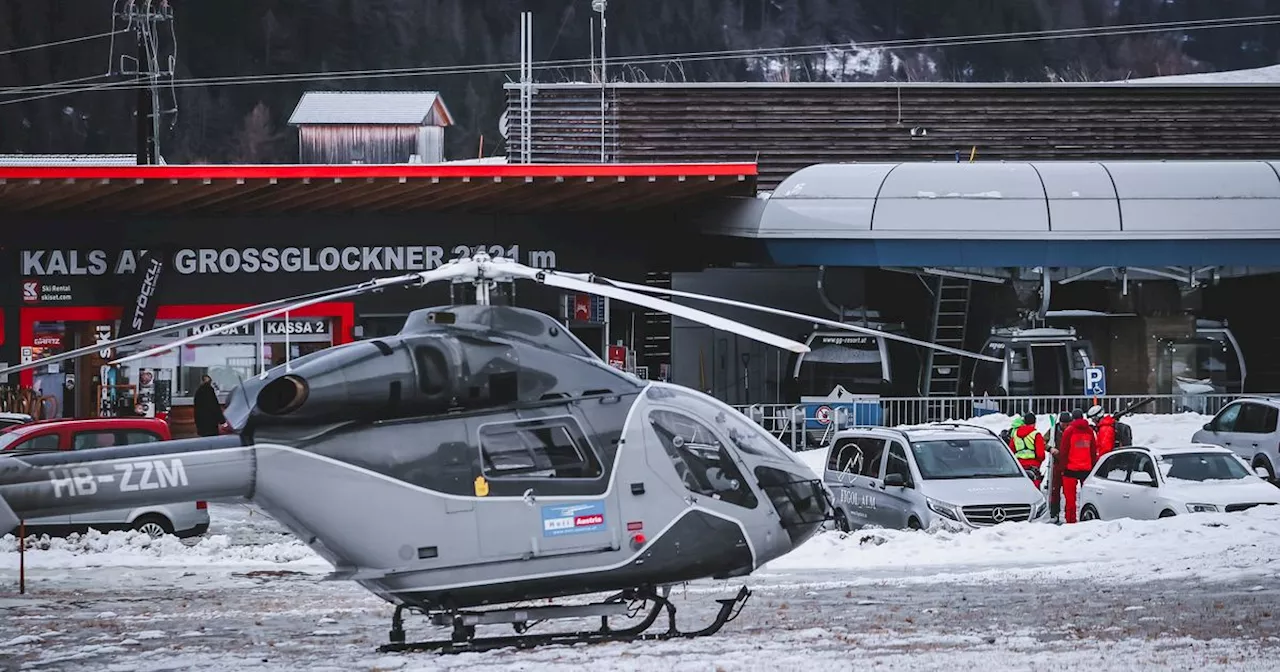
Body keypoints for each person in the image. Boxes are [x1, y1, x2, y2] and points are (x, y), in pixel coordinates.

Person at [1058, 408, 1098, 524]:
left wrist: (1062, 468)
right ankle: (1087, 520)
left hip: (1070, 469)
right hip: (1086, 469)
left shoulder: (1069, 431)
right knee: (1088, 498)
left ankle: (1071, 521)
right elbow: (1093, 450)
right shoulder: (1090, 431)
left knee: (1070, 500)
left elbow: (1064, 451)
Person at [1009, 412, 1047, 488]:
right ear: (1034, 423)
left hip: (1019, 465)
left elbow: (1011, 450)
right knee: (1034, 490)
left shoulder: (1015, 434)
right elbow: (1040, 454)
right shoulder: (1036, 434)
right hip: (1033, 466)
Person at [1047, 411, 1071, 522]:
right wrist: (1050, 449)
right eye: (1063, 424)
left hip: (1069, 464)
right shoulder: (1053, 430)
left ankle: (1068, 514)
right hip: (1057, 464)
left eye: (1067, 424)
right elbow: (1043, 441)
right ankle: (1054, 513)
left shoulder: (1072, 430)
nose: (1065, 426)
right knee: (1055, 489)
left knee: (1069, 491)